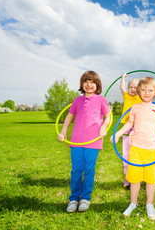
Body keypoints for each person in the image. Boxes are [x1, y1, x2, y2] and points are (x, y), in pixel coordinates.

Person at [111, 77, 155, 220]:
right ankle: (133, 203)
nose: (146, 92)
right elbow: (129, 123)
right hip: (136, 148)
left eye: (150, 90)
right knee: (134, 178)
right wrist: (118, 133)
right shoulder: (135, 107)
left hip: (152, 149)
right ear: (138, 91)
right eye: (143, 89)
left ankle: (149, 204)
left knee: (151, 179)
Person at [58, 71, 110, 213]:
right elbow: (69, 116)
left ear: (97, 84)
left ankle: (85, 198)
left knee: (88, 170)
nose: (89, 84)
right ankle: (73, 199)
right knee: (76, 171)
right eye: (86, 81)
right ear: (82, 84)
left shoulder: (101, 100)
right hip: (76, 141)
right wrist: (63, 131)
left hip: (93, 142)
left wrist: (104, 128)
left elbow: (107, 117)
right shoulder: (77, 100)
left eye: (92, 81)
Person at [119, 73, 155, 188]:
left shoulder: (141, 98)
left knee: (140, 154)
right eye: (131, 87)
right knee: (128, 155)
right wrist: (123, 78)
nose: (133, 89)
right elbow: (122, 87)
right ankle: (129, 178)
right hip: (128, 126)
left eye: (135, 87)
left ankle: (142, 177)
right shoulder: (126, 95)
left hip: (139, 127)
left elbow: (152, 88)